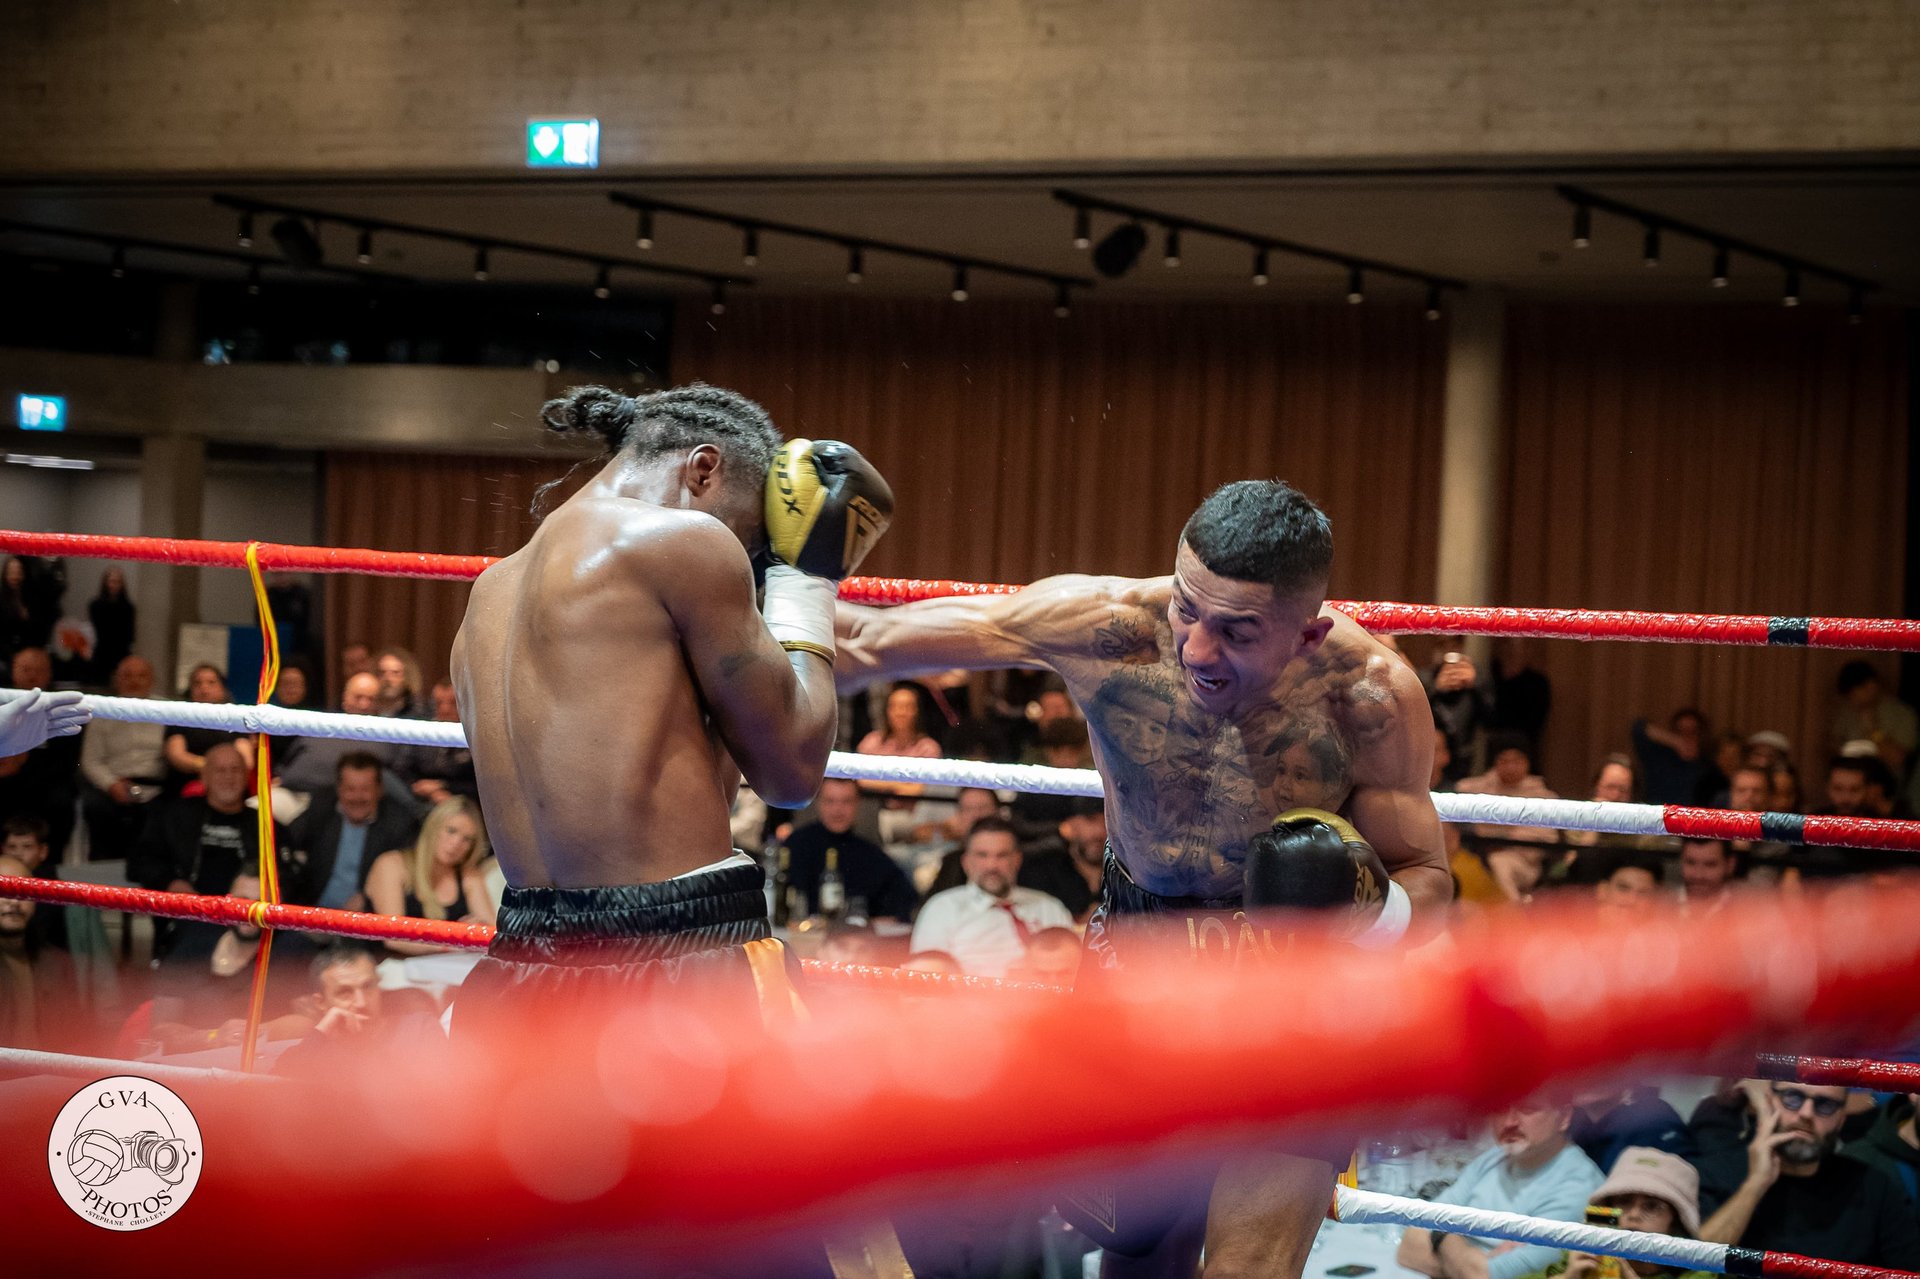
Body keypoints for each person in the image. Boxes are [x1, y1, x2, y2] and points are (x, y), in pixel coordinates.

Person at [837, 478, 1450, 1279]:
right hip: (1139, 954)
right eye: (1187, 608)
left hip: (1294, 993)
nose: (1198, 647)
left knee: (1246, 1269)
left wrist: (1368, 912)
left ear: (1307, 633)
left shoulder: (1369, 697)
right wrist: (781, 585)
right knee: (1134, 1255)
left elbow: (1424, 873)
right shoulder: (1108, 626)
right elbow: (870, 642)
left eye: (1237, 630)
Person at [450, 383, 891, 1018]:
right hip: (678, 965)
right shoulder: (685, 541)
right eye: (749, 538)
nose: (747, 560)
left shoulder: (490, 592)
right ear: (704, 468)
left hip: (523, 962)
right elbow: (790, 772)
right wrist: (806, 584)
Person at [1697, 1081, 1920, 1268]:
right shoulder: (1716, 1171)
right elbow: (1693, 1265)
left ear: (1841, 1119)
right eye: (1792, 1098)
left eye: (1825, 1105)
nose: (1806, 1113)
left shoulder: (1873, 1185)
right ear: (1769, 1102)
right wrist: (1755, 1184)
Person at [1396, 1095, 1605, 1279]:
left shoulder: (1578, 1188)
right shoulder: (1495, 1159)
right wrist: (1474, 1263)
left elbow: (1480, 1276)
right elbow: (1407, 1250)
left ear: (1564, 1117)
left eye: (1527, 1109)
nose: (1509, 1121)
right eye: (1499, 1108)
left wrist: (1441, 1235)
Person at [128, 743, 285, 960]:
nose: (228, 777)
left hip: (249, 919)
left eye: (235, 770)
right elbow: (141, 861)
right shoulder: (173, 815)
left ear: (246, 776)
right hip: (191, 915)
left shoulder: (266, 824)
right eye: (220, 770)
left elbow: (287, 874)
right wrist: (172, 883)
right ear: (205, 777)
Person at [1510, 1147, 1708, 1279]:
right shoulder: (1582, 1254)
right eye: (1623, 1201)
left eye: (1651, 1207)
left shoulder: (1700, 1273)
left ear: (1676, 1223)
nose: (1633, 1214)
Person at [910, 816, 1074, 977]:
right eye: (982, 855)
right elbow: (926, 974)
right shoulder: (942, 908)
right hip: (970, 1000)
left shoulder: (1048, 905)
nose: (992, 866)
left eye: (1001, 855)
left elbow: (1075, 969)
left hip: (1045, 1000)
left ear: (1017, 860)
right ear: (966, 862)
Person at [282, 753, 419, 911]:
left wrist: (366, 897)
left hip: (366, 921)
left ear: (380, 790)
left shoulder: (399, 823)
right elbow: (286, 839)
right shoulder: (322, 805)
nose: (357, 797)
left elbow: (405, 877)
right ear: (339, 789)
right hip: (313, 915)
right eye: (350, 789)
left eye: (365, 789)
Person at [362, 796, 497, 956]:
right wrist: (452, 939)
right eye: (451, 830)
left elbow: (493, 933)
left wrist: (477, 930)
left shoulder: (469, 875)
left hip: (447, 969)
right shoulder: (392, 865)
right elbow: (393, 937)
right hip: (388, 969)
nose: (456, 843)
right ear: (433, 827)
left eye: (466, 839)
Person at [779, 777, 918, 922]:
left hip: (857, 940)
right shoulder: (797, 845)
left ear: (858, 803)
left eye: (846, 801)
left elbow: (904, 900)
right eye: (830, 801)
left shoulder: (870, 854)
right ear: (818, 803)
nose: (837, 810)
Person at [78, 654, 167, 859]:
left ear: (151, 680)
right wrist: (112, 784)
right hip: (112, 787)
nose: (134, 681)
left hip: (157, 789)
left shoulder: (167, 710)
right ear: (117, 680)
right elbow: (90, 760)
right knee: (95, 810)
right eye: (127, 676)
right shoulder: (102, 711)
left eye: (141, 676)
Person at [162, 663, 253, 791]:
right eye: (197, 683)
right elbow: (176, 755)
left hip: (228, 785)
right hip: (186, 785)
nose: (204, 688)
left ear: (223, 688)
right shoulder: (179, 716)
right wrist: (207, 766)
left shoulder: (236, 717)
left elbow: (246, 760)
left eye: (211, 682)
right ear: (190, 689)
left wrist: (222, 771)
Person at [88, 567, 136, 682]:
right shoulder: (95, 605)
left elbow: (130, 633)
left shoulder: (128, 607)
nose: (114, 585)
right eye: (111, 581)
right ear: (105, 582)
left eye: (118, 582)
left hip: (121, 651)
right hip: (101, 652)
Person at [1677, 839, 1739, 916]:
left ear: (1730, 865)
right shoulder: (1661, 906)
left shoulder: (1746, 912)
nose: (1698, 875)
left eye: (1710, 865)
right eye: (1691, 863)